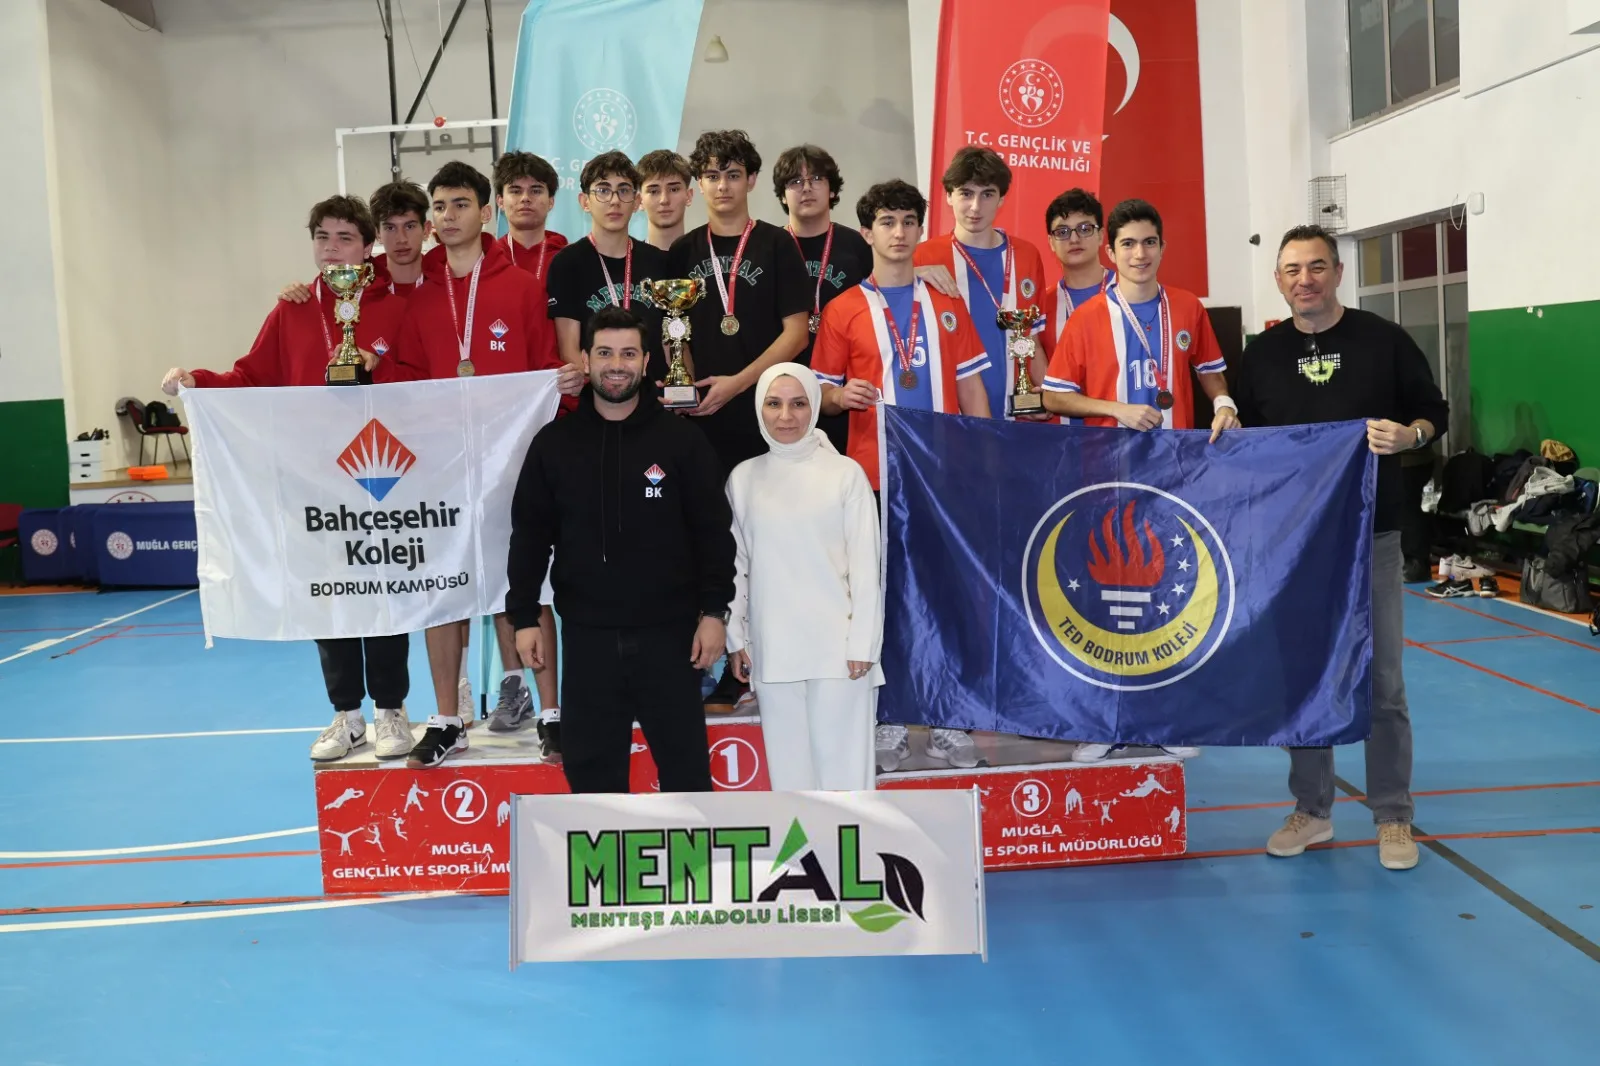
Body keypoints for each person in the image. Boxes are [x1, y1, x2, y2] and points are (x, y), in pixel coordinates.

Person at [161, 195, 415, 763]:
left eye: (345, 237)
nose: (332, 249)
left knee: (383, 593)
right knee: (328, 596)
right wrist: (196, 381)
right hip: (311, 478)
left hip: (378, 476)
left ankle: (390, 709)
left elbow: (421, 381)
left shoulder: (395, 306)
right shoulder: (291, 310)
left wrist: (382, 366)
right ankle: (347, 714)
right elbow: (250, 375)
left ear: (368, 246)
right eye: (322, 237)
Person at [1237, 224, 1448, 872]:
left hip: (1372, 536)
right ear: (1279, 280)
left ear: (1337, 272)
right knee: (1305, 677)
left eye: (1317, 266)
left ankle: (1393, 814)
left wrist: (1408, 435)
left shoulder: (1384, 340)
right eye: (1292, 269)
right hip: (1295, 546)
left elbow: (1433, 413)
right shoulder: (1260, 356)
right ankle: (1313, 809)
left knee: (1382, 680)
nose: (1305, 279)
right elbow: (1244, 447)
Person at [393, 161, 581, 768]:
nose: (448, 217)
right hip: (444, 469)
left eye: (460, 204)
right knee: (442, 590)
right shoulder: (419, 294)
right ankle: (448, 720)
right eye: (439, 207)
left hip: (514, 464)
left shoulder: (522, 287)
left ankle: (551, 714)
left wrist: (560, 394)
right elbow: (408, 378)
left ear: (486, 211)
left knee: (527, 584)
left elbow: (544, 369)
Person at [507, 306, 735, 794]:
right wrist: (524, 616)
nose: (617, 365)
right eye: (605, 353)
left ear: (648, 361)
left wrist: (715, 612)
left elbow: (714, 534)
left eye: (628, 354)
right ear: (585, 361)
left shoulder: (683, 442)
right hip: (587, 640)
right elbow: (529, 535)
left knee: (687, 779)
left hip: (671, 639)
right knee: (592, 784)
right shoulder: (554, 444)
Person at [1040, 197, 1234, 763]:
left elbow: (1211, 372)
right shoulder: (1087, 317)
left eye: (1149, 242)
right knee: (1105, 603)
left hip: (1177, 479)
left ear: (1163, 247)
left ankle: (1166, 718)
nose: (1139, 253)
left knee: (1173, 602)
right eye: (1127, 243)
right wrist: (1114, 408)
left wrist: (1224, 402)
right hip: (1108, 480)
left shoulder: (1187, 307)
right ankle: (1104, 721)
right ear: (1110, 251)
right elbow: (1053, 396)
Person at [811, 179, 991, 772]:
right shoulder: (842, 309)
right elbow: (821, 394)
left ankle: (947, 719)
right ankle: (888, 717)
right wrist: (840, 397)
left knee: (946, 597)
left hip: (943, 478)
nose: (899, 232)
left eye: (909, 221)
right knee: (879, 598)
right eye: (886, 222)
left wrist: (981, 462)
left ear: (920, 229)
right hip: (872, 477)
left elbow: (971, 388)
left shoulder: (946, 303)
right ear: (866, 232)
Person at [668, 129, 811, 713]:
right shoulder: (682, 252)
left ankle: (761, 659)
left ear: (751, 179)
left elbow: (796, 333)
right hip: (700, 417)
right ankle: (714, 660)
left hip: (763, 418)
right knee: (707, 538)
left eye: (732, 174)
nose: (722, 186)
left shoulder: (777, 245)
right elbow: (673, 334)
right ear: (698, 185)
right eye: (710, 176)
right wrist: (689, 383)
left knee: (765, 540)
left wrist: (739, 383)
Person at [726, 363, 881, 790]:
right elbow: (736, 567)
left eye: (798, 404)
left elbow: (867, 567)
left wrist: (863, 643)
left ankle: (851, 840)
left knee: (845, 781)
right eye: (773, 404)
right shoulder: (743, 478)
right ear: (759, 409)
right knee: (790, 782)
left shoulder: (845, 474)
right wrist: (737, 639)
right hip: (772, 650)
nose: (786, 416)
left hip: (841, 654)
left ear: (814, 406)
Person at [913, 147, 1049, 422]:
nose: (975, 207)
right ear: (948, 195)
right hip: (950, 416)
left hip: (1016, 416)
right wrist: (910, 274)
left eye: (987, 194)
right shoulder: (923, 257)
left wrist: (1051, 395)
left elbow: (1030, 337)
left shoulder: (1026, 255)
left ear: (1001, 199)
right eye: (966, 193)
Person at [771, 144, 873, 452]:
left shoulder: (857, 246)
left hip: (844, 393)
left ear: (832, 189)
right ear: (782, 194)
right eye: (795, 181)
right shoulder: (769, 247)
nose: (806, 188)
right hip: (782, 390)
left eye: (816, 178)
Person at [547, 151, 671, 387]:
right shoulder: (567, 263)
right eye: (603, 191)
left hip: (655, 394)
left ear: (636, 202)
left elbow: (669, 339)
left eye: (624, 190)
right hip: (600, 397)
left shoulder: (658, 261)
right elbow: (569, 350)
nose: (614, 201)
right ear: (585, 202)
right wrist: (611, 390)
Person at [276, 181, 431, 305]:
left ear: (426, 230)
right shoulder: (356, 286)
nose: (401, 239)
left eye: (410, 226)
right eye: (390, 228)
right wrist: (295, 293)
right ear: (377, 233)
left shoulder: (442, 282)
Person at [1041, 187, 1113, 362]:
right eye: (1062, 232)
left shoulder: (1129, 292)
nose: (1074, 239)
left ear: (1101, 235)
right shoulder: (1042, 306)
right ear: (1051, 242)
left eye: (1084, 229)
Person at [638, 149, 695, 252]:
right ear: (640, 200)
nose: (664, 200)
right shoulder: (627, 260)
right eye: (654, 191)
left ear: (689, 196)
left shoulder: (707, 258)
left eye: (674, 190)